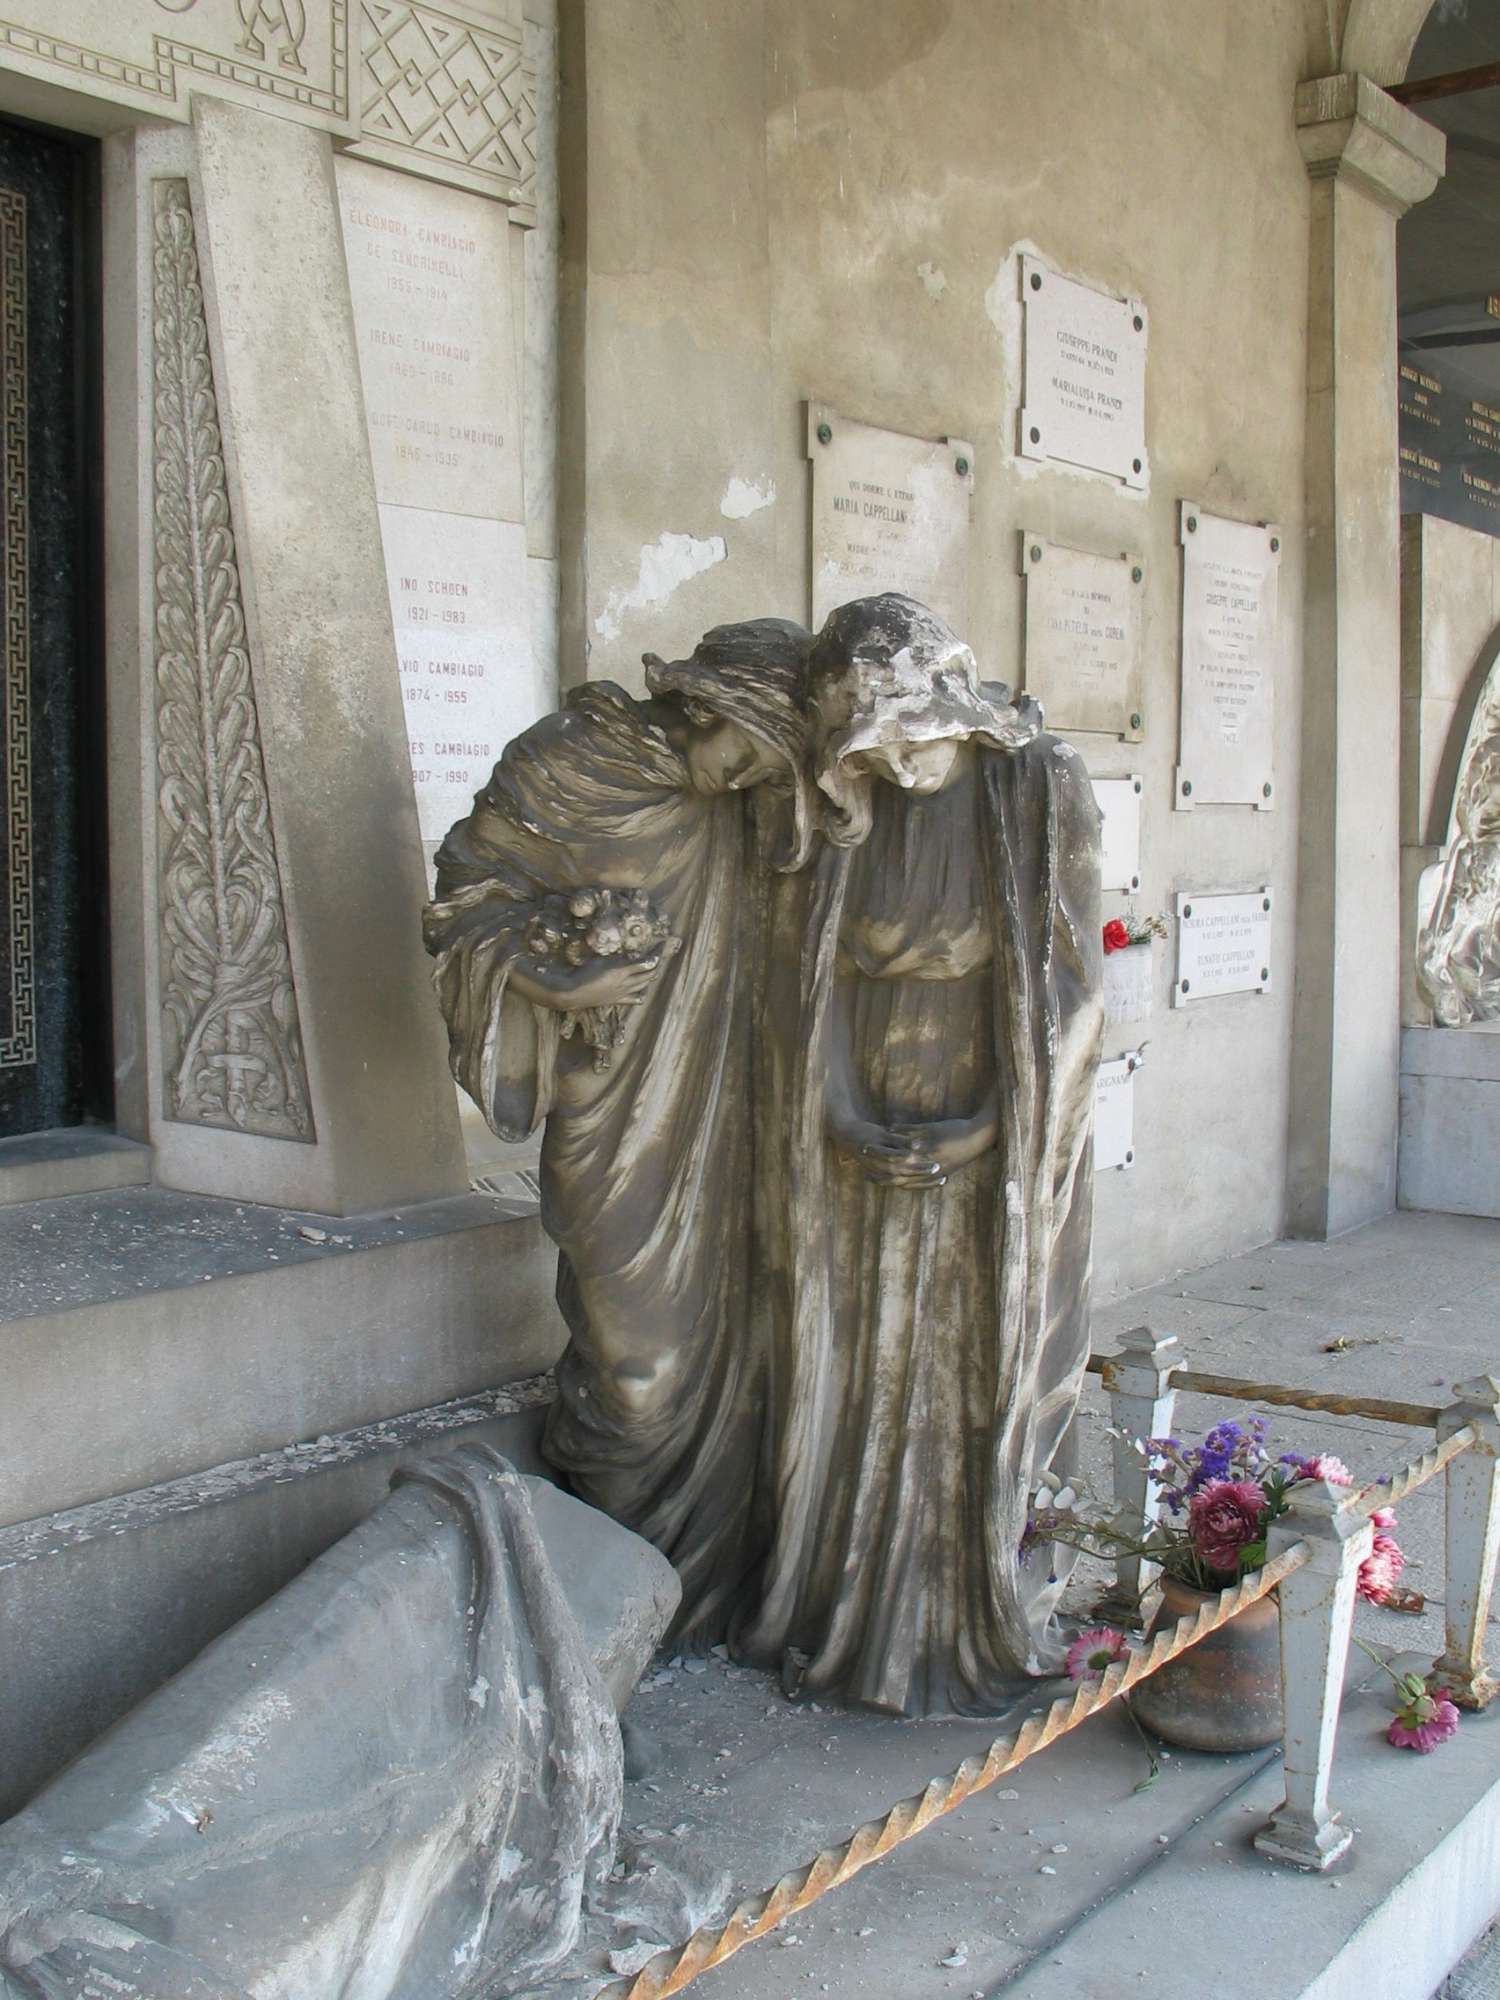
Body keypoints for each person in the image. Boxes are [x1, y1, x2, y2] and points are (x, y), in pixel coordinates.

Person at [737, 594, 1103, 1715]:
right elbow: (801, 981)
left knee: (966, 1359)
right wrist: (840, 1114)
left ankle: (957, 1606)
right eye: (871, 745)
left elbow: (1071, 995)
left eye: (911, 736)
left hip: (988, 1126)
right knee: (859, 1355)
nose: (895, 764)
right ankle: (851, 1604)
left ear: (954, 708)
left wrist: (986, 1129)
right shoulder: (846, 810)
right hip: (859, 1125)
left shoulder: (1038, 788)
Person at [424, 621, 812, 1645]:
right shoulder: (568, 762)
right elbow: (463, 905)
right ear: (709, 707)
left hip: (739, 1111)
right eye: (750, 752)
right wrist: (554, 980)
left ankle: (697, 1591)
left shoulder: (748, 812)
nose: (749, 781)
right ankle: (610, 1605)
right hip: (614, 1115)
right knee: (634, 1368)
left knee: (748, 1344)